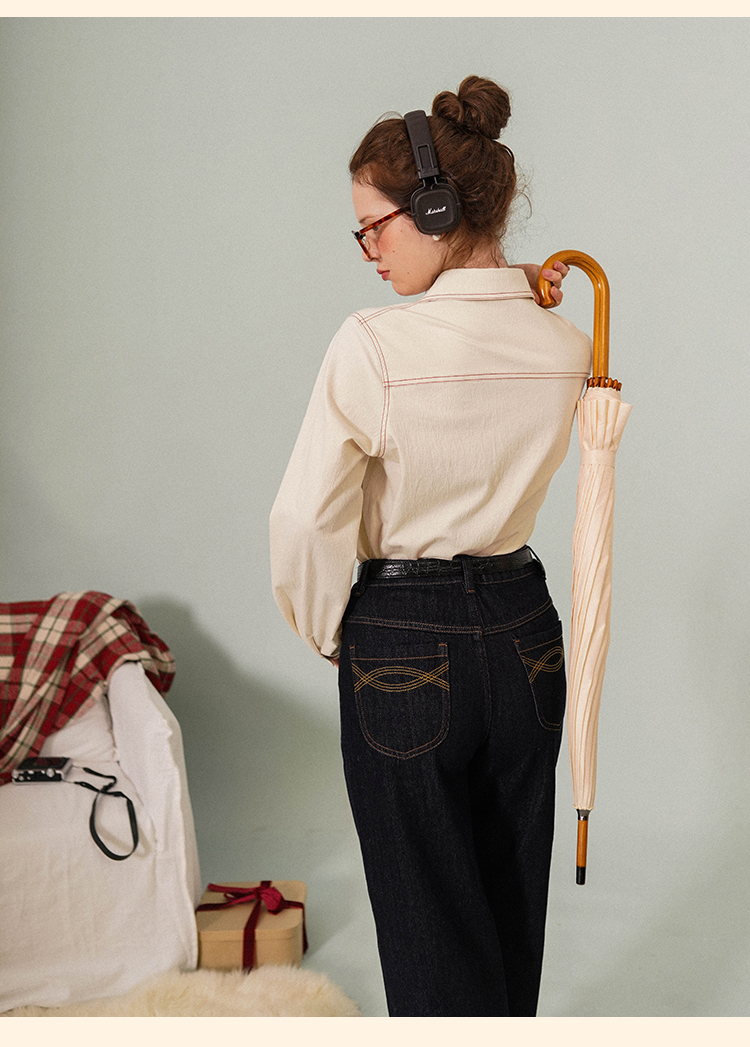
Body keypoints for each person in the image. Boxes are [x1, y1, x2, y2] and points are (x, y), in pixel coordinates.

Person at [270, 75, 592, 1017]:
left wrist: (335, 631)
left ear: (437, 209)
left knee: (426, 921)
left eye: (374, 226)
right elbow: (501, 323)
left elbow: (304, 521)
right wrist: (521, 284)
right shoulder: (568, 341)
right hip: (528, 633)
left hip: (401, 636)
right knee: (508, 907)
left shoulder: (372, 345)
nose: (368, 249)